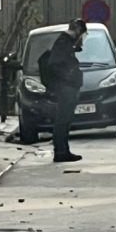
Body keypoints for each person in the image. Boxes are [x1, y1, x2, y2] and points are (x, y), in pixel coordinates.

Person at [44, 19, 88, 163]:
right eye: (82, 34)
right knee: (62, 120)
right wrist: (68, 78)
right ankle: (61, 152)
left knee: (65, 120)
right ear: (78, 31)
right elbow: (55, 64)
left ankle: (64, 150)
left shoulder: (67, 43)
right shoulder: (63, 42)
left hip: (67, 86)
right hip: (65, 87)